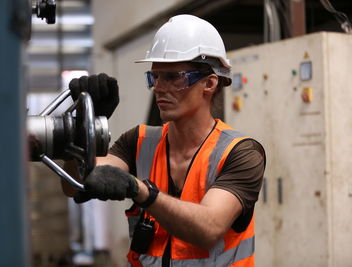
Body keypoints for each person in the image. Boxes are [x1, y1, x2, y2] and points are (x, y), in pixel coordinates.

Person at [63, 14, 265, 267]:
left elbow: (209, 228)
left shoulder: (241, 153)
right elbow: (75, 183)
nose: (158, 87)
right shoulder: (139, 141)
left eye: (173, 77)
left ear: (210, 83)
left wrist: (141, 191)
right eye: (155, 77)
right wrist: (82, 129)